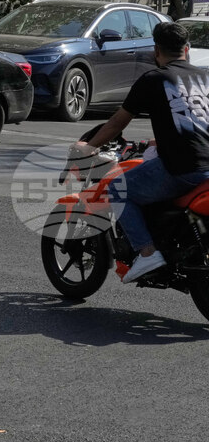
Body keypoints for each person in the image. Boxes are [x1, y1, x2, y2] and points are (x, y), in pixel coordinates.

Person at [75, 22, 209, 283]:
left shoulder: (153, 79)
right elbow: (196, 122)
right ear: (187, 49)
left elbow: (116, 123)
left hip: (185, 168)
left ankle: (147, 253)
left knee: (118, 188)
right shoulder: (205, 78)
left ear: (155, 51)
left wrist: (88, 147)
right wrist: (157, 143)